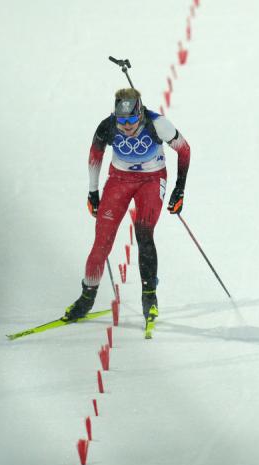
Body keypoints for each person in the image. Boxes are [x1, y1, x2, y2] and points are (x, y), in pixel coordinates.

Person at [62, 88, 191, 326]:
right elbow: (95, 156)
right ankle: (86, 298)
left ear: (140, 112)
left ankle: (149, 297)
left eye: (131, 119)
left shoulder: (158, 123)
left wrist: (179, 189)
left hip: (151, 180)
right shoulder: (107, 126)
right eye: (122, 121)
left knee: (144, 233)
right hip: (119, 180)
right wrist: (93, 192)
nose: (127, 126)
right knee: (102, 241)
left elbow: (184, 150)